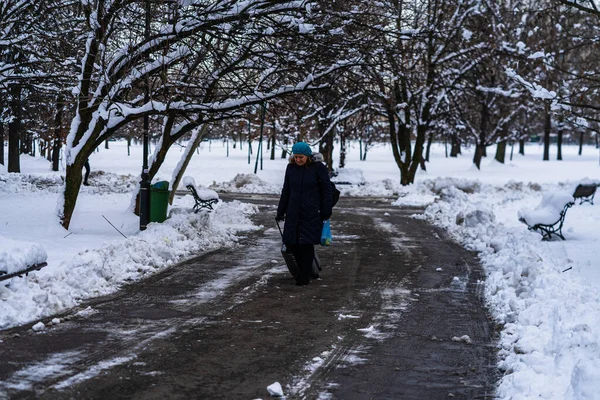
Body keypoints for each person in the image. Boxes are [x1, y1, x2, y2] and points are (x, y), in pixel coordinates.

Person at [276, 142, 333, 286]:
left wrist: (326, 210)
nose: (298, 160)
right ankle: (305, 270)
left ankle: (304, 275)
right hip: (293, 211)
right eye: (296, 157)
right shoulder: (291, 168)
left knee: (306, 244)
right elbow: (286, 190)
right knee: (292, 243)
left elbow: (327, 190)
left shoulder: (318, 168)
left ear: (308, 156)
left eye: (301, 157)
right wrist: (280, 210)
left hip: (311, 211)